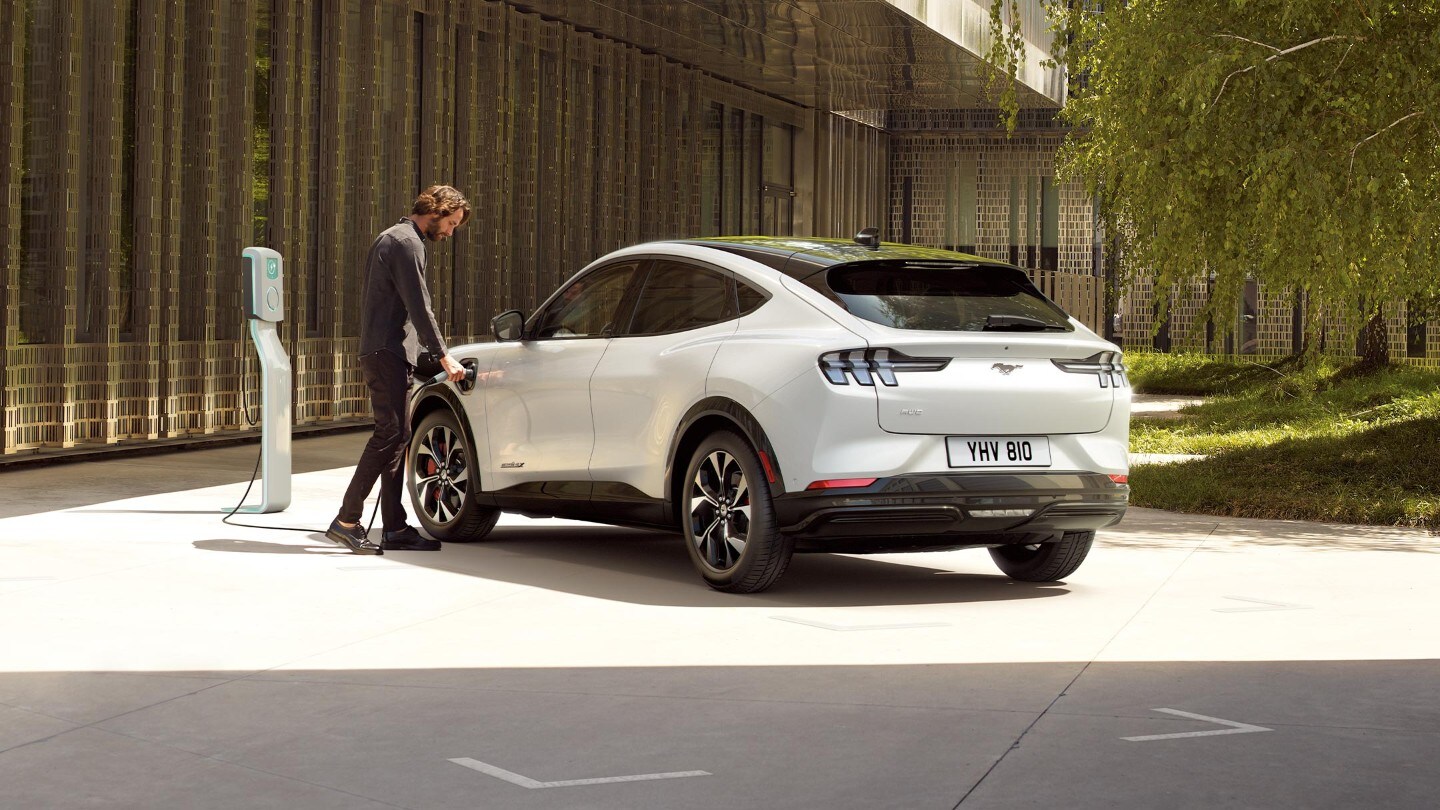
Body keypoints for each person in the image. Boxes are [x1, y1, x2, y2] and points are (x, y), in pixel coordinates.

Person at [326, 185, 470, 554]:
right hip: (386, 351)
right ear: (437, 210)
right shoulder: (407, 242)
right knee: (390, 434)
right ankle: (346, 520)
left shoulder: (396, 237)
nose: (450, 232)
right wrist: (443, 356)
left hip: (389, 350)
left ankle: (394, 527)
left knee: (399, 436)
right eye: (451, 223)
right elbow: (420, 307)